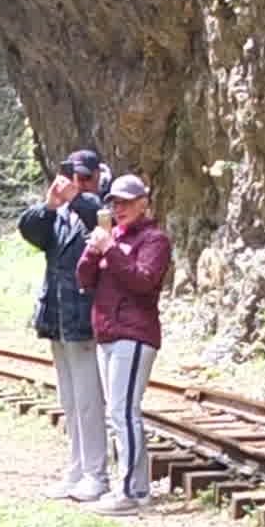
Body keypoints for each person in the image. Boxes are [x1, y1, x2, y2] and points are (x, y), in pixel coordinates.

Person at [13, 149, 108, 499]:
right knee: (70, 399)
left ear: (98, 176)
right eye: (73, 178)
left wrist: (77, 199)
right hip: (58, 315)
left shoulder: (102, 208)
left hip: (84, 316)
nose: (79, 185)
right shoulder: (62, 214)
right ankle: (77, 467)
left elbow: (101, 222)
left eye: (86, 178)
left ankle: (96, 472)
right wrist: (51, 204)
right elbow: (30, 230)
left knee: (88, 399)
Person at [75, 172, 170, 505]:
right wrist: (94, 249)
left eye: (128, 201)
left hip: (135, 333)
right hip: (108, 332)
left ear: (143, 202)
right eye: (115, 202)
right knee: (117, 412)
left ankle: (131, 490)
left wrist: (111, 249)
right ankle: (136, 486)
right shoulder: (110, 236)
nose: (121, 208)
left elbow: (143, 281)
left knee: (122, 411)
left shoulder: (154, 240)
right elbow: (84, 279)